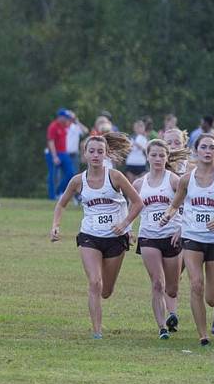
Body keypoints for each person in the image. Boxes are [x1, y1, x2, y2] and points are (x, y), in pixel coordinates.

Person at [50, 133, 141, 338]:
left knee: (106, 290)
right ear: (85, 154)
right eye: (92, 151)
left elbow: (137, 203)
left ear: (106, 154)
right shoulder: (77, 180)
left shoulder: (115, 177)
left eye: (100, 152)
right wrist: (55, 225)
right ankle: (97, 332)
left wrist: (125, 224)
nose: (96, 155)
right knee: (94, 282)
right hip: (90, 236)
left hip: (116, 238)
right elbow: (61, 204)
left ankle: (102, 304)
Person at [158, 131, 214, 346]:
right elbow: (175, 204)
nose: (207, 151)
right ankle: (203, 335)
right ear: (196, 151)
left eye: (211, 147)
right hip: (192, 237)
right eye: (203, 147)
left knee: (212, 297)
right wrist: (167, 216)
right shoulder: (187, 179)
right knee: (196, 284)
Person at [134, 140, 184, 338]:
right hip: (148, 236)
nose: (157, 159)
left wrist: (181, 229)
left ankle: (172, 313)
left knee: (171, 288)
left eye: (161, 155)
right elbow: (131, 208)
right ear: (147, 157)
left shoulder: (174, 181)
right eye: (154, 155)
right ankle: (162, 327)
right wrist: (127, 229)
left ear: (167, 158)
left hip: (171, 236)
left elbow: (189, 204)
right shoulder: (139, 184)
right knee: (157, 283)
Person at [45, 109, 71, 200]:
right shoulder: (53, 126)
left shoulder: (64, 126)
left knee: (71, 173)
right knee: (53, 175)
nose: (67, 119)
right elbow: (51, 141)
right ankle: (52, 197)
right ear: (60, 117)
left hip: (63, 153)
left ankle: (59, 191)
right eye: (66, 118)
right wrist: (54, 156)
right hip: (54, 153)